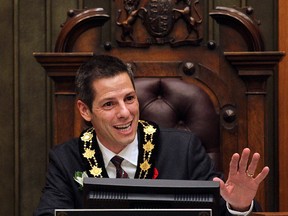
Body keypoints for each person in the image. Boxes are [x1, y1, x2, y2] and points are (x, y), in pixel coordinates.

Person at [34, 55, 270, 216]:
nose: (125, 113)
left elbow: (219, 210)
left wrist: (239, 205)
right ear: (85, 110)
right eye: (109, 104)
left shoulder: (183, 149)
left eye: (129, 98)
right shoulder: (65, 159)